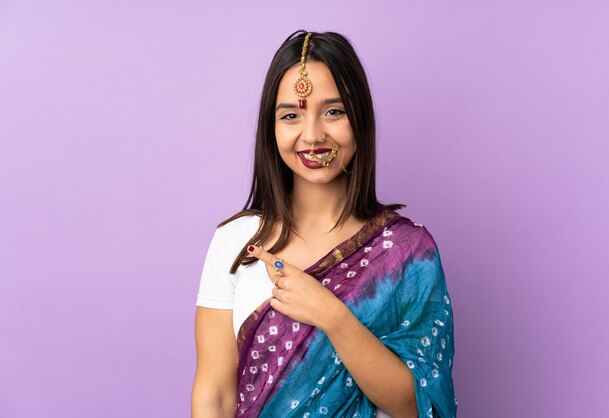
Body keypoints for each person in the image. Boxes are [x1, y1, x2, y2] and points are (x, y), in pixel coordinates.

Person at [191, 30, 457, 418]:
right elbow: (214, 396)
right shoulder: (236, 242)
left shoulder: (407, 253)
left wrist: (331, 316)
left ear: (360, 120)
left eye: (334, 112)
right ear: (271, 128)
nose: (312, 135)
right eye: (291, 115)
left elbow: (417, 405)